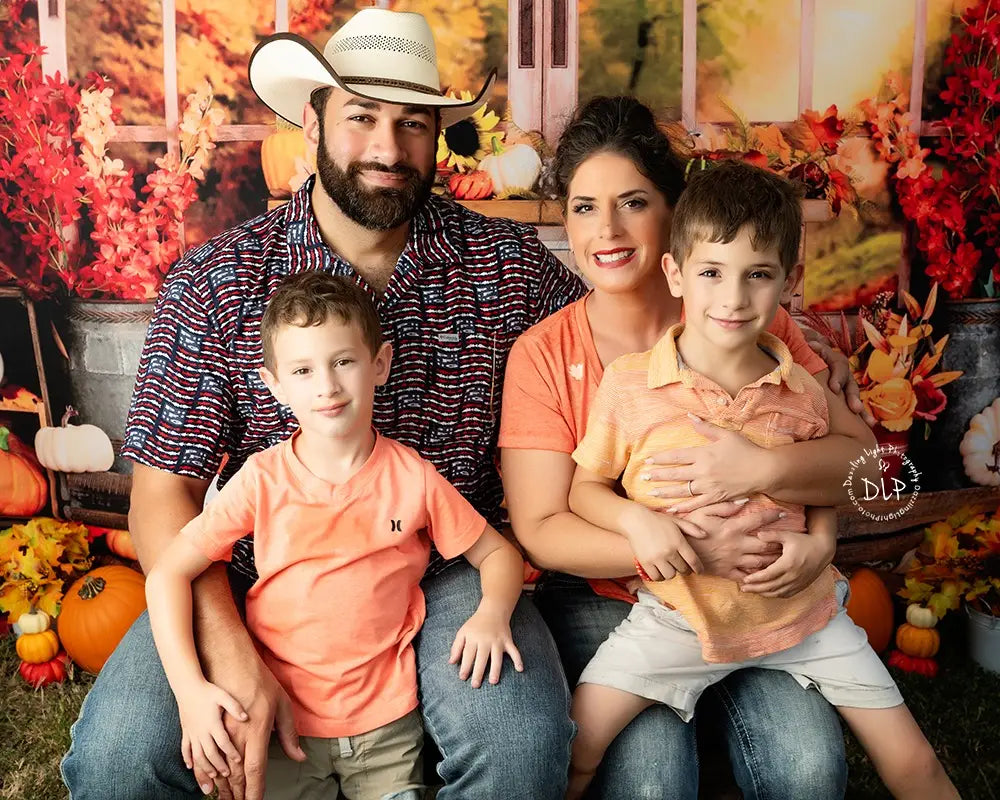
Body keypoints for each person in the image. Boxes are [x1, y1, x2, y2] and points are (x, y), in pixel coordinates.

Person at [61, 9, 583, 800]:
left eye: (413, 124)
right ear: (311, 121)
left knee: (517, 744)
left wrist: (763, 343)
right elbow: (162, 501)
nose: (387, 147)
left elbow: (616, 349)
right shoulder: (216, 285)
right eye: (362, 117)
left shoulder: (511, 273)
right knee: (118, 763)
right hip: (246, 571)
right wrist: (231, 649)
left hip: (447, 565)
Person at [499, 96, 876, 798]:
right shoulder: (545, 354)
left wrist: (780, 487)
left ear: (675, 214)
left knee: (808, 768)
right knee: (652, 779)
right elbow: (544, 528)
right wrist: (686, 550)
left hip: (760, 594)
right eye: (583, 207)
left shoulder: (748, 321)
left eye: (632, 202)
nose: (605, 230)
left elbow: (859, 470)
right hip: (610, 599)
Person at [564, 161, 958, 800]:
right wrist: (638, 521)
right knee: (578, 745)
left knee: (913, 762)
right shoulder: (630, 385)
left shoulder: (800, 387)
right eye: (712, 273)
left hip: (803, 615)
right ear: (675, 272)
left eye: (758, 275)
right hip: (678, 617)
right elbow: (585, 491)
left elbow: (839, 476)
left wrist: (822, 537)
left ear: (789, 282)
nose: (733, 298)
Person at [144, 272, 526, 800]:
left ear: (380, 365)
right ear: (275, 386)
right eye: (303, 370)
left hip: (388, 726)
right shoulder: (261, 480)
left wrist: (491, 614)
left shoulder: (412, 478)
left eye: (343, 361)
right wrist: (191, 690)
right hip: (283, 724)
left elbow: (498, 554)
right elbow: (167, 572)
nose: (326, 385)